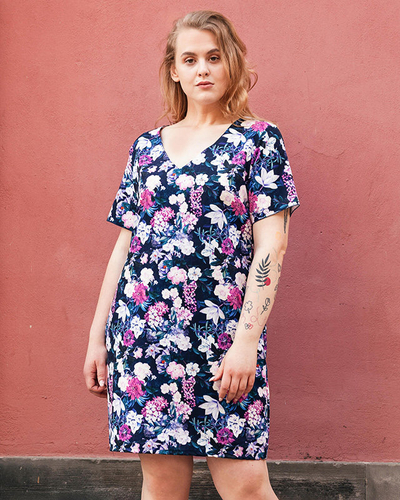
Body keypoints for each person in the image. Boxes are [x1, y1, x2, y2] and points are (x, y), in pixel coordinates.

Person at [83, 9, 300, 500]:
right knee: (161, 485)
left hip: (223, 338)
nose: (202, 69)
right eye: (190, 59)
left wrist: (246, 342)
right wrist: (98, 337)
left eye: (214, 57)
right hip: (143, 339)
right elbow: (125, 248)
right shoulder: (146, 148)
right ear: (174, 71)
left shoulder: (258, 141)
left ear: (232, 64)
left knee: (246, 485)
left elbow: (273, 245)